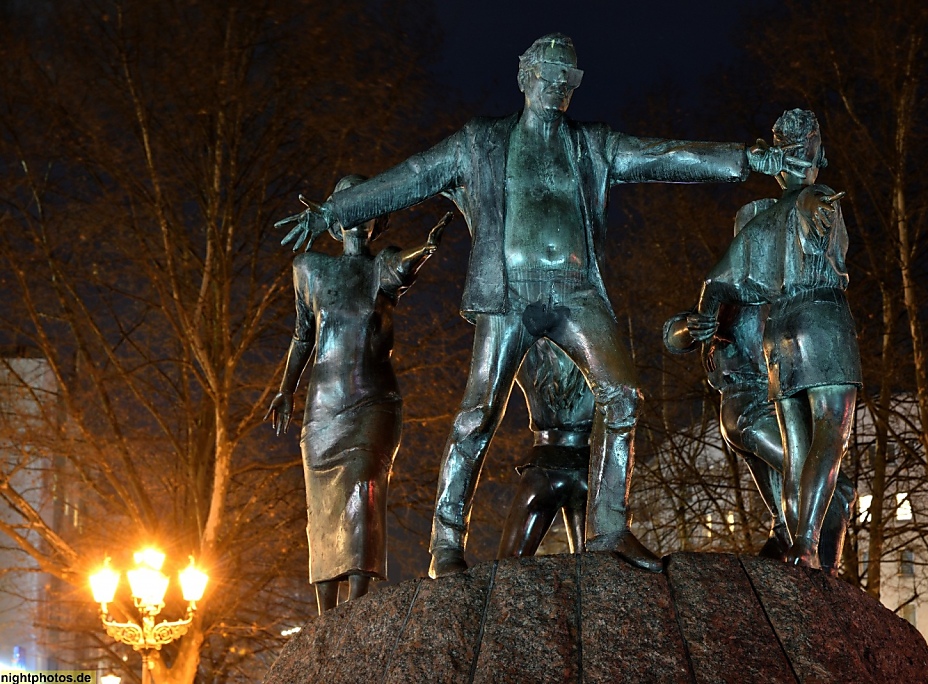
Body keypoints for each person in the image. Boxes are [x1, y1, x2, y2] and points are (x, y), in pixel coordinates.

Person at [281, 34, 810, 577]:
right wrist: (331, 212)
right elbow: (411, 178)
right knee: (478, 412)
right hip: (511, 294)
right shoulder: (480, 142)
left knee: (623, 395)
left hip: (577, 293)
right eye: (549, 76)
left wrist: (746, 159)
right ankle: (445, 543)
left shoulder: (591, 144)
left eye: (568, 79)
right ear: (524, 76)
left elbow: (666, 154)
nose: (557, 87)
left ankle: (608, 528)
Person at [687, 109, 861, 569]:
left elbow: (716, 283)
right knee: (832, 430)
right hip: (821, 315)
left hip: (779, 331)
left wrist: (705, 319)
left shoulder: (761, 224)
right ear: (814, 149)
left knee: (797, 440)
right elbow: (823, 235)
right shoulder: (817, 199)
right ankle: (805, 544)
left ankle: (797, 545)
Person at [267, 175, 449, 611]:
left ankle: (358, 604)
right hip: (324, 408)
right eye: (349, 209)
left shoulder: (382, 265)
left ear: (376, 221)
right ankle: (326, 616)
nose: (358, 219)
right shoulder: (309, 269)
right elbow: (302, 336)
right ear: (336, 218)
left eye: (367, 211)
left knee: (363, 485)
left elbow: (404, 268)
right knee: (324, 508)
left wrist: (425, 248)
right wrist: (284, 389)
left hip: (374, 402)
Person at [663, 196, 855, 574]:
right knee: (824, 485)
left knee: (793, 516)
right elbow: (675, 335)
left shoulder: (782, 292)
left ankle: (790, 578)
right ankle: (824, 580)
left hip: (769, 408)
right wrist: (694, 326)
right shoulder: (737, 291)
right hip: (749, 410)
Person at [498, 339, 592, 558]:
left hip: (545, 466)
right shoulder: (596, 348)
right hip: (587, 465)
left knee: (509, 565)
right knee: (593, 567)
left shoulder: (528, 351)